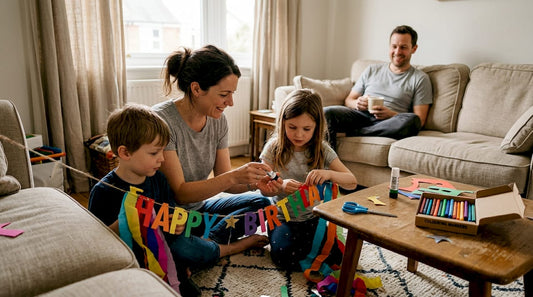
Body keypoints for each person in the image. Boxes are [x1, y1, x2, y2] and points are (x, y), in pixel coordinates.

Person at [152, 45, 282, 257]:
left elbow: (224, 179)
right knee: (179, 244)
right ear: (196, 89)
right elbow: (181, 194)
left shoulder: (218, 121)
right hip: (170, 219)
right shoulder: (162, 121)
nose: (230, 102)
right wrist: (233, 177)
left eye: (232, 94)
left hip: (199, 213)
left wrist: (254, 183)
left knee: (262, 205)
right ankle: (225, 246)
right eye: (224, 94)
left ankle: (207, 245)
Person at [89, 103, 201, 296]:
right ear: (125, 153)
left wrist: (176, 221)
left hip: (164, 254)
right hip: (129, 262)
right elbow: (98, 243)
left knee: (191, 285)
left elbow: (171, 213)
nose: (162, 159)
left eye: (162, 152)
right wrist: (126, 221)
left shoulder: (158, 179)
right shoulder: (103, 191)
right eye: (154, 153)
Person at [259, 89, 358, 270]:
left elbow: (351, 182)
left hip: (313, 219)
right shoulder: (273, 148)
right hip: (282, 217)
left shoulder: (322, 149)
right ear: (283, 123)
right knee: (283, 257)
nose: (299, 135)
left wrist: (329, 174)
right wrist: (281, 187)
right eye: (292, 127)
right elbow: (263, 188)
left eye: (307, 129)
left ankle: (306, 252)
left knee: (337, 255)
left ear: (317, 126)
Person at [324, 25, 433, 149]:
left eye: (403, 47)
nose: (397, 52)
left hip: (390, 122)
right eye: (394, 46)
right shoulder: (372, 69)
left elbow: (420, 120)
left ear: (414, 48)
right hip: (361, 116)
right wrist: (357, 103)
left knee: (412, 121)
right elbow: (349, 100)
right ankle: (328, 164)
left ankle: (356, 132)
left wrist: (392, 114)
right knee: (326, 113)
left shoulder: (420, 78)